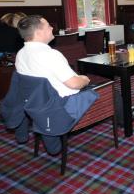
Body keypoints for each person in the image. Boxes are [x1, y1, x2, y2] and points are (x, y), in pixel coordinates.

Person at [12, 15, 92, 153]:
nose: (52, 28)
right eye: (48, 25)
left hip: (36, 103)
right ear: (38, 32)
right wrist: (85, 79)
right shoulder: (51, 54)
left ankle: (46, 129)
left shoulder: (20, 54)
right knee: (111, 93)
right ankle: (126, 119)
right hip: (62, 104)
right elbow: (73, 84)